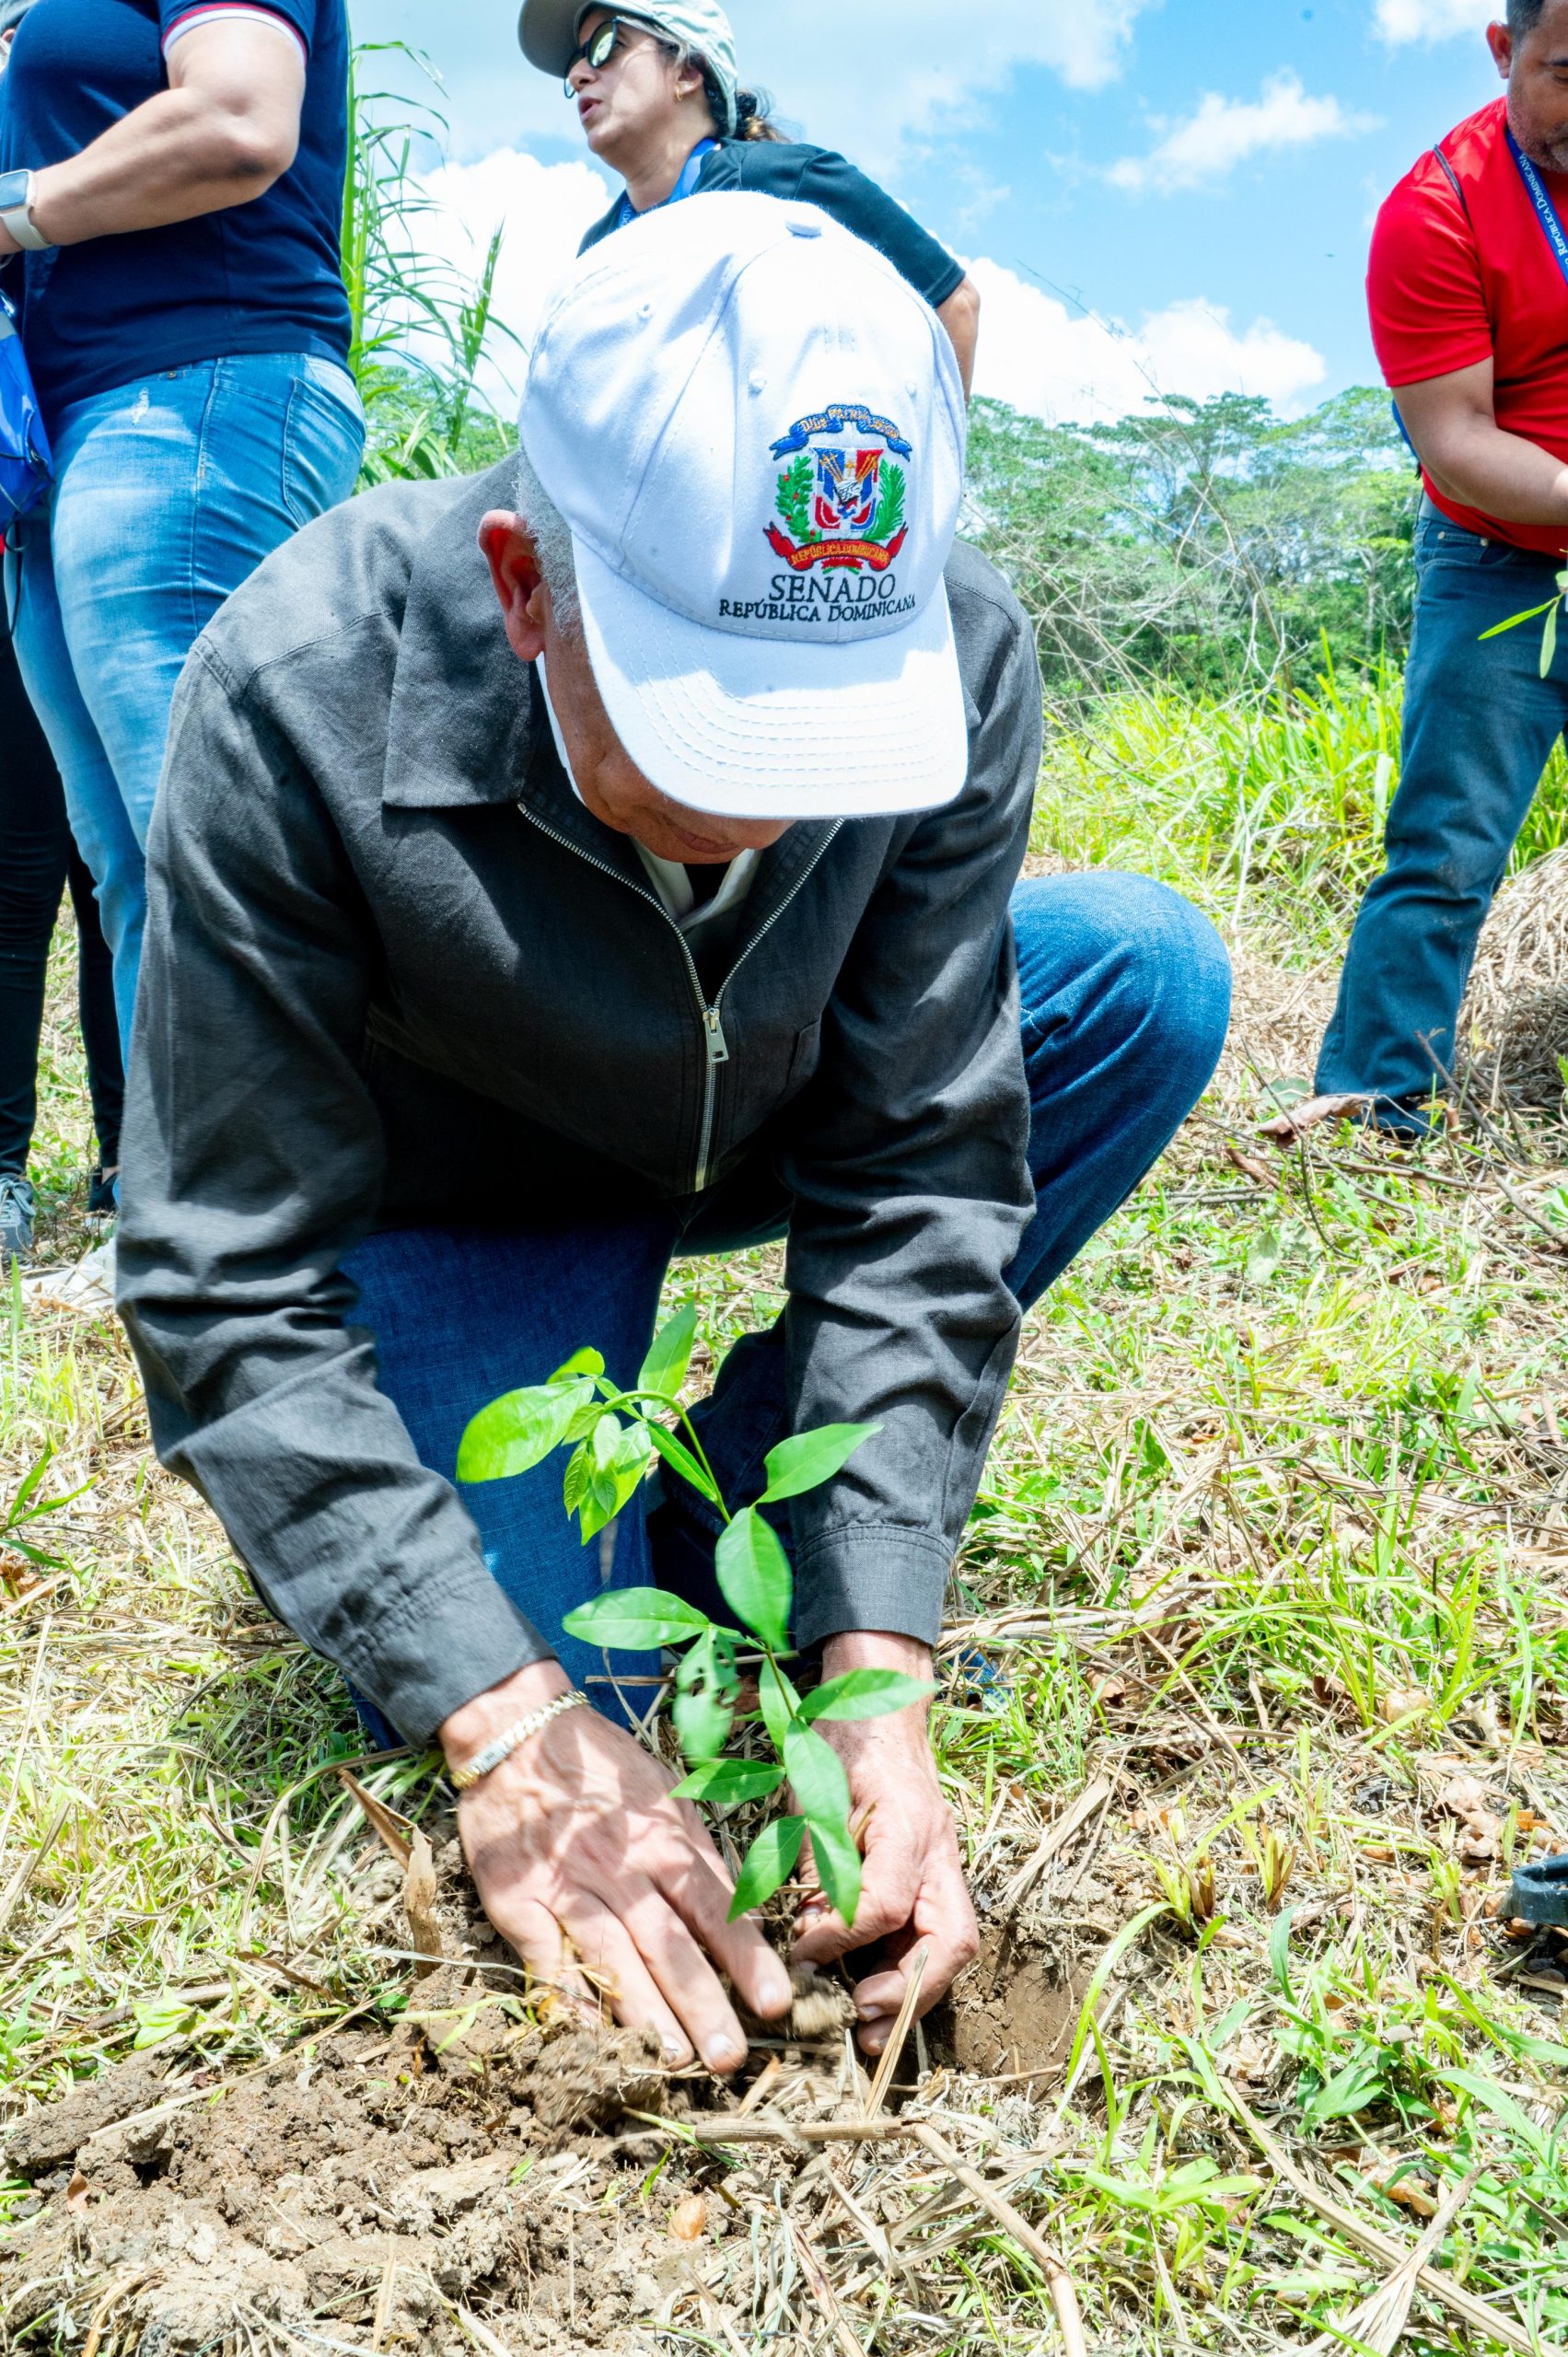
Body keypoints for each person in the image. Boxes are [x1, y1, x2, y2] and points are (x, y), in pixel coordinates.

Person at [116, 197, 1230, 2073]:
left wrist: (872, 1655)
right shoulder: (291, 689)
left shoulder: (955, 652)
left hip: (758, 1108)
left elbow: (923, 1163)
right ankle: (597, 1492)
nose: (768, 813)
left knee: (1139, 977)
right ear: (524, 584)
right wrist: (492, 1711)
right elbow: (223, 1267)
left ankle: (733, 1467)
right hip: (474, 1188)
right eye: (710, 728)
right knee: (572, 1678)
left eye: (824, 743)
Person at [0, 0, 365, 1064]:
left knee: (201, 849)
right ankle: (180, 1206)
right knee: (134, 866)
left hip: (195, 388)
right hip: (61, 438)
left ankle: (265, 1217)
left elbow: (238, 119)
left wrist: (15, 206)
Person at [1308, 0, 1568, 1134]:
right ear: (1501, 51)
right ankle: (1376, 1105)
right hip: (1496, 559)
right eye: (1567, 73)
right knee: (1446, 844)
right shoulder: (1437, 208)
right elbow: (1455, 443)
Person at [517, 0, 982, 395]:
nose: (579, 73)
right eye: (575, 62)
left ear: (687, 72)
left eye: (606, 46)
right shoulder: (597, 249)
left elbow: (954, 302)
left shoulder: (786, 182)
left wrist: (935, 488)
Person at [0, 0, 120, 1265]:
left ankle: (136, 1166)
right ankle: (0, 1172)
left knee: (114, 877)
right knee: (17, 878)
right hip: (17, 531)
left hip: (82, 497)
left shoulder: (81, 131)